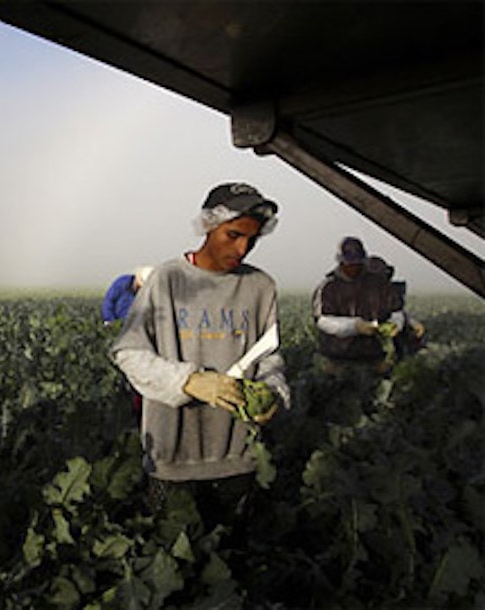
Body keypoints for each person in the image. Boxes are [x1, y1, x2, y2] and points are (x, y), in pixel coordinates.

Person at [109, 182, 290, 540]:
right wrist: (188, 381)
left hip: (237, 454)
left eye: (251, 240)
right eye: (233, 235)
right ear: (208, 226)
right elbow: (127, 352)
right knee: (166, 557)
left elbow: (269, 355)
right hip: (173, 457)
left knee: (233, 556)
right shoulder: (167, 280)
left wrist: (274, 391)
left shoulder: (261, 287)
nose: (242, 249)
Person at [312, 236, 425, 375]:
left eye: (357, 264)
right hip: (337, 359)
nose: (353, 268)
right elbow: (323, 321)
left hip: (374, 357)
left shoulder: (377, 283)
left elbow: (396, 311)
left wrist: (395, 324)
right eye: (349, 264)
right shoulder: (329, 287)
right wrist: (355, 326)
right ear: (341, 262)